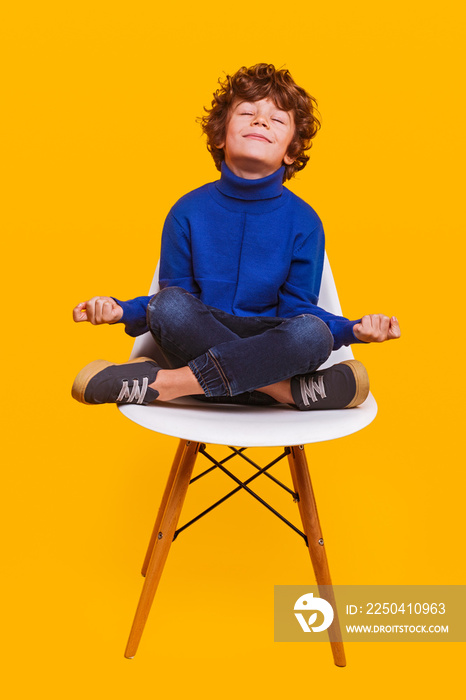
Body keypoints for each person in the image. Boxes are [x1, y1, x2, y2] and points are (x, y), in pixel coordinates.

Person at [72, 63, 400, 411]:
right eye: (247, 112)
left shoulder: (305, 222)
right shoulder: (187, 212)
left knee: (313, 332)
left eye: (277, 119)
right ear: (219, 135)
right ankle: (288, 392)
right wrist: (119, 310)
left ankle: (165, 385)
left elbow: (298, 310)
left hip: (272, 343)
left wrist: (353, 331)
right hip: (207, 339)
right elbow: (173, 301)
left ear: (291, 150)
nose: (260, 121)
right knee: (168, 306)